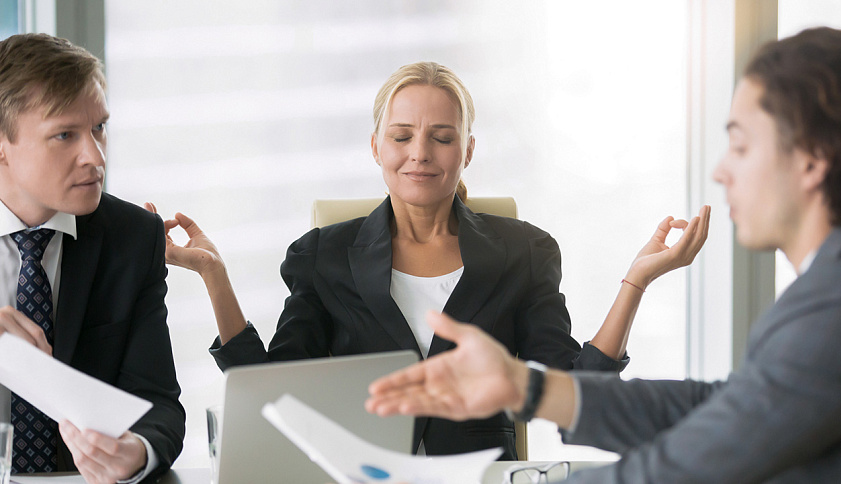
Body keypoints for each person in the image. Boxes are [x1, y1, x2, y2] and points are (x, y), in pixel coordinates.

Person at [366, 27, 841, 482]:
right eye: (402, 135)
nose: (721, 172)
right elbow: (725, 409)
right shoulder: (832, 289)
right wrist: (528, 388)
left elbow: (692, 465)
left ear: (812, 160)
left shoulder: (840, 306)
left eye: (741, 146)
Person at [149, 61, 707, 459]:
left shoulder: (525, 252)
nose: (419, 153)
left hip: (481, 476)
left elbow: (574, 386)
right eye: (402, 136)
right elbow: (272, 393)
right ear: (376, 147)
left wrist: (635, 281)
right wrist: (215, 277)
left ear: (467, 150)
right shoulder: (322, 255)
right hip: (357, 474)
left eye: (441, 138)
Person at [0, 34, 184, 483]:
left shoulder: (132, 237)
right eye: (65, 135)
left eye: (99, 128)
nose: (95, 157)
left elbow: (157, 401)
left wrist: (135, 452)